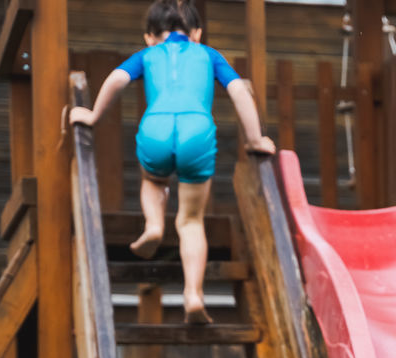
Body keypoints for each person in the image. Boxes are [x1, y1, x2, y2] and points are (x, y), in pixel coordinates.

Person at [68, 0, 275, 324]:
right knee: (191, 220)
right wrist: (255, 139)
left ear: (150, 36)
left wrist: (93, 115)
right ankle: (193, 295)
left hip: (156, 128)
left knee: (153, 180)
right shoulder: (208, 54)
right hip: (197, 131)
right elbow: (238, 92)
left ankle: (153, 224)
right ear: (196, 33)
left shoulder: (146, 55)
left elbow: (117, 79)